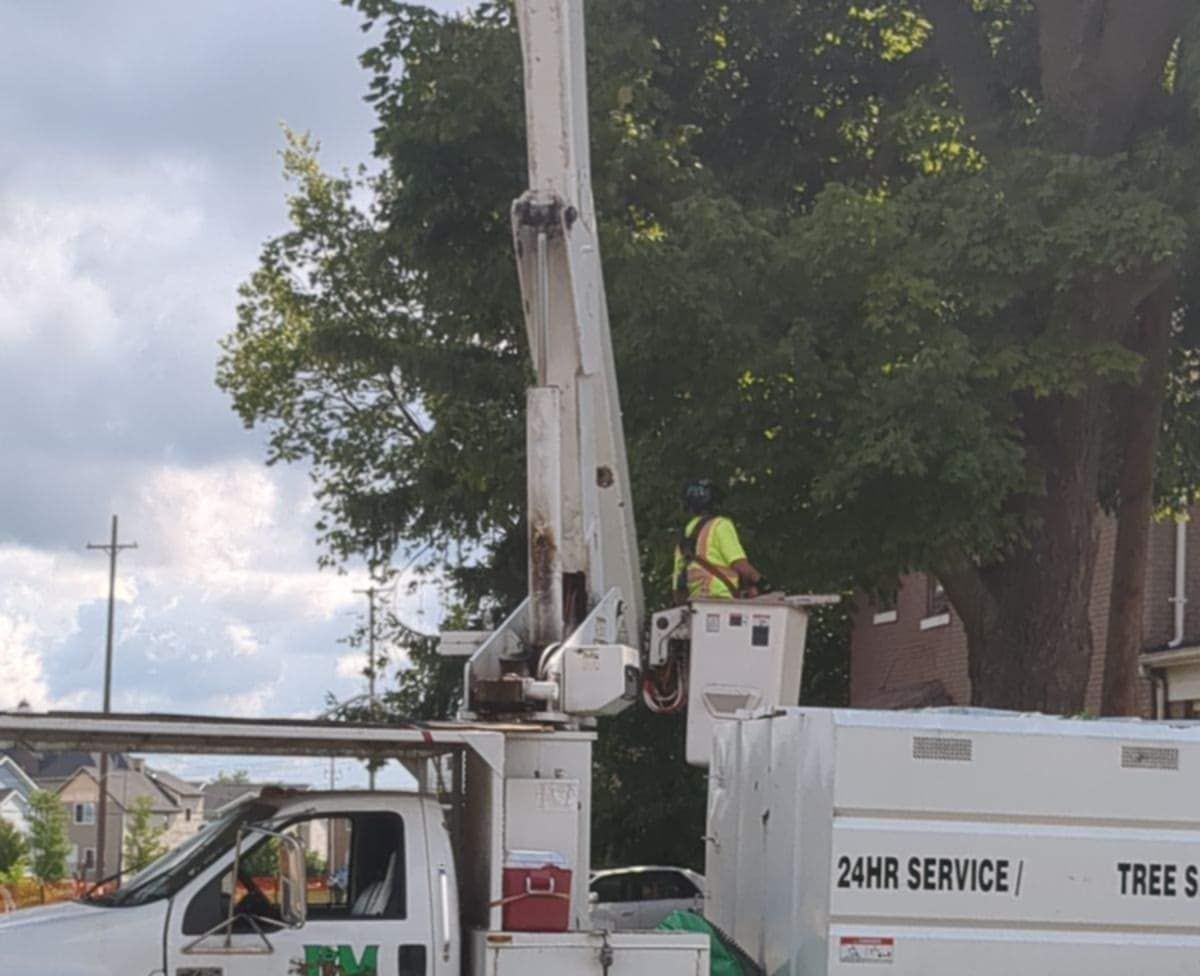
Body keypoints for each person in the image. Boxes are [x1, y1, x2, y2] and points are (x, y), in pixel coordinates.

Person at [673, 479, 764, 603]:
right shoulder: (721, 525)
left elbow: (678, 584)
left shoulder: (685, 535)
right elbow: (739, 563)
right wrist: (762, 583)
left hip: (696, 605)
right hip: (722, 600)